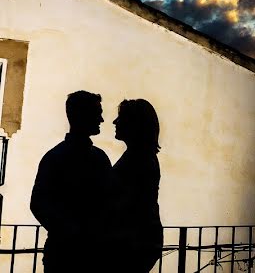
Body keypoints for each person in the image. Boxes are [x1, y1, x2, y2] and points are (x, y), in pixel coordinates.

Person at [30, 90, 113, 273]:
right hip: (83, 253)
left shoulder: (54, 157)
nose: (101, 120)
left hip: (64, 252)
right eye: (97, 113)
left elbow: (39, 204)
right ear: (82, 116)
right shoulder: (99, 158)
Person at [110, 99, 164, 273]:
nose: (115, 122)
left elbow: (125, 203)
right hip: (140, 240)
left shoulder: (138, 159)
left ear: (134, 124)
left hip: (132, 242)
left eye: (121, 118)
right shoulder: (140, 156)